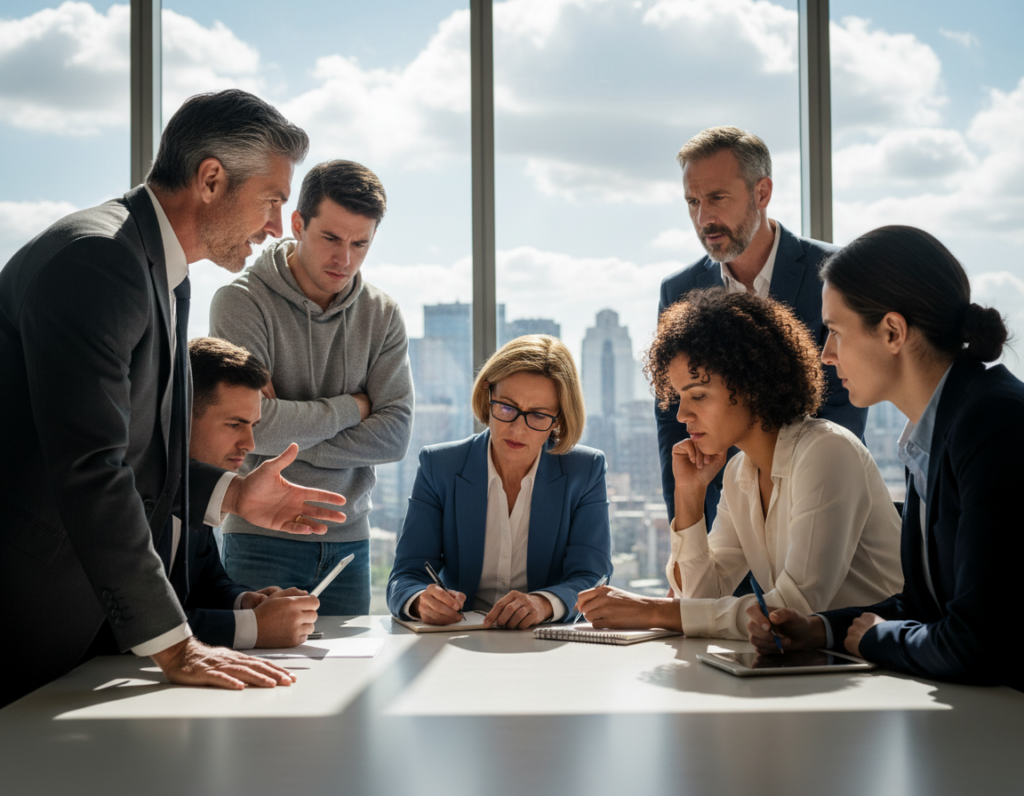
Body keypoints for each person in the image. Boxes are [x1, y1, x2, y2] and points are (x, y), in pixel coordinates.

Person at [0, 89, 347, 708]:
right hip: (21, 615)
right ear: (211, 179)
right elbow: (91, 469)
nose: (275, 228)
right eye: (271, 201)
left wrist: (234, 494)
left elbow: (138, 461)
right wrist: (177, 645)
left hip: (68, 627)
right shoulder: (99, 261)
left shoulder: (156, 271)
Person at [746, 226, 1024, 691]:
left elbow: (976, 642)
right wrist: (820, 628)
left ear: (893, 331)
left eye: (834, 331)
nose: (826, 355)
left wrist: (876, 641)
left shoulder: (993, 423)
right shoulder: (935, 431)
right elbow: (925, 608)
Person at [578, 290, 901, 639]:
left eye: (698, 395)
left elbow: (794, 609)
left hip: (880, 664)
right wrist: (689, 495)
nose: (683, 415)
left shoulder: (826, 451)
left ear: (751, 385)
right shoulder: (739, 472)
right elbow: (701, 596)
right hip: (813, 666)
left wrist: (653, 610)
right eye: (680, 398)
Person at [211, 159, 413, 615]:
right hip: (259, 538)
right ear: (298, 224)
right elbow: (252, 431)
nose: (345, 258)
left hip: (348, 542)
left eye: (360, 243)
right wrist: (354, 408)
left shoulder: (382, 315)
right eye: (331, 238)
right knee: (259, 673)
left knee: (347, 681)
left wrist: (289, 425)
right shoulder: (241, 303)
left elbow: (395, 435)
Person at [657, 126, 867, 529]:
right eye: (692, 202)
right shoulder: (679, 290)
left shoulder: (833, 274)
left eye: (717, 198)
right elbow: (673, 421)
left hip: (819, 506)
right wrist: (686, 530)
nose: (704, 218)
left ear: (762, 193)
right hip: (723, 520)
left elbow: (842, 409)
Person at [387, 335, 612, 629]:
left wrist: (543, 603)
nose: (518, 429)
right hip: (457, 639)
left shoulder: (585, 470)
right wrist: (419, 601)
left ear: (558, 420)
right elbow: (406, 573)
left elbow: (592, 577)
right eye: (506, 407)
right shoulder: (440, 466)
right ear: (487, 395)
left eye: (538, 415)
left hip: (543, 639)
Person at [184, 337, 320, 650]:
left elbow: (206, 584)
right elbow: (134, 621)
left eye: (253, 425)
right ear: (181, 416)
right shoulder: (130, 492)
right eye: (235, 424)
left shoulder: (205, 486)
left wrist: (246, 602)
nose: (250, 444)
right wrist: (251, 628)